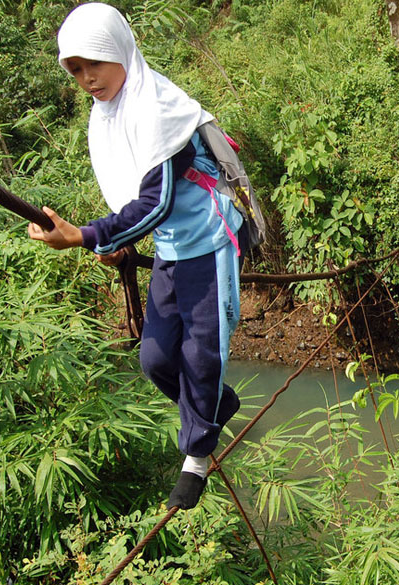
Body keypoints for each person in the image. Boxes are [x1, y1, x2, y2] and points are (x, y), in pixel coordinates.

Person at [27, 2, 243, 509]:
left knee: (200, 355)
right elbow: (133, 196)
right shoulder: (109, 113)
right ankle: (214, 408)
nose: (86, 78)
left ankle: (197, 456)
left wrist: (86, 236)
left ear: (120, 51)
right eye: (75, 69)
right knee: (155, 359)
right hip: (170, 245)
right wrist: (114, 239)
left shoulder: (157, 108)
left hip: (208, 243)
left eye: (94, 63)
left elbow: (157, 200)